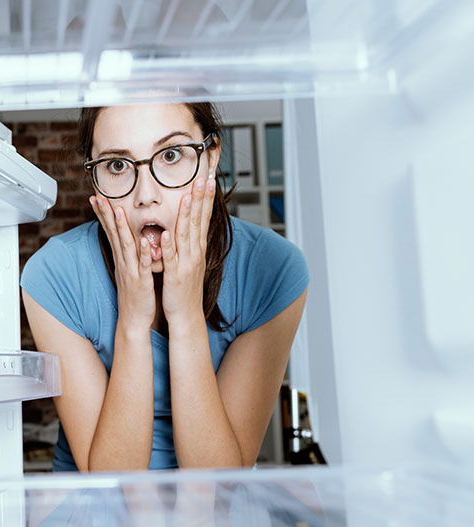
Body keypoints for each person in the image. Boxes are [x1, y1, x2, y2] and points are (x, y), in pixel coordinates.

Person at [21, 102, 309, 472]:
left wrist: (186, 317)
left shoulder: (273, 269)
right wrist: (134, 324)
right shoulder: (53, 274)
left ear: (210, 158)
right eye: (117, 165)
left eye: (171, 155)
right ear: (94, 177)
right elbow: (112, 484)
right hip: (96, 518)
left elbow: (217, 482)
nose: (146, 194)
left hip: (213, 520)